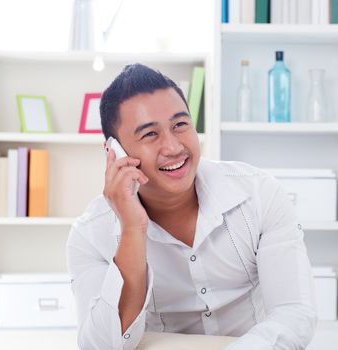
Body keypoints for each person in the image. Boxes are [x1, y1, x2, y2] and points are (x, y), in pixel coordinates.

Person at [67, 64, 317, 350]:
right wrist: (132, 230)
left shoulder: (259, 194)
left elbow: (294, 313)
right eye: (150, 134)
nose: (173, 147)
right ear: (115, 152)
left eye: (180, 125)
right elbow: (101, 346)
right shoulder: (90, 235)